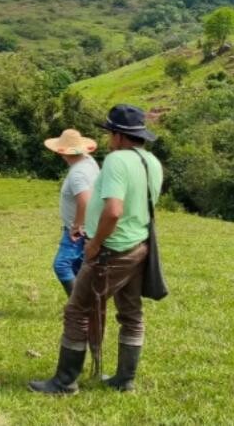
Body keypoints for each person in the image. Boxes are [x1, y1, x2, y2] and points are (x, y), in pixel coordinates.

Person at [29, 104, 163, 395]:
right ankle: (124, 379)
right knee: (131, 313)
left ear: (117, 135)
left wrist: (95, 243)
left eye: (109, 133)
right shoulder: (152, 162)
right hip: (139, 246)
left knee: (77, 311)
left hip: (112, 250)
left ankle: (65, 381)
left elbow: (113, 210)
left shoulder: (116, 161)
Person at [43, 129, 100, 296]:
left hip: (78, 230)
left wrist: (77, 225)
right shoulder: (89, 161)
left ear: (62, 152)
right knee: (80, 267)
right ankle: (88, 303)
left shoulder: (77, 174)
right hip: (91, 226)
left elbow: (85, 200)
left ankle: (80, 305)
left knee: (62, 265)